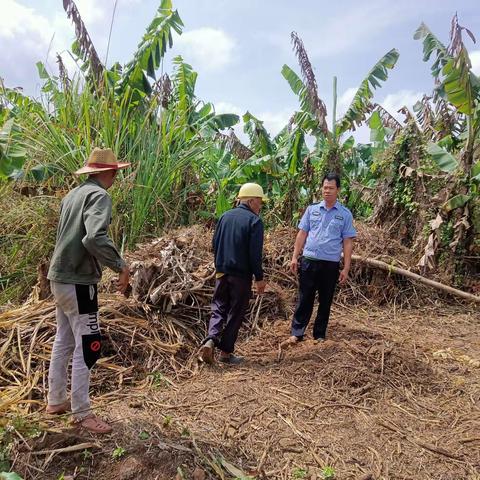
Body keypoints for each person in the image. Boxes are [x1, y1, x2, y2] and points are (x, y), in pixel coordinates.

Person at [46, 147, 130, 434]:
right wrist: (120, 266)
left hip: (58, 277)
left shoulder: (72, 195)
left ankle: (56, 400)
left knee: (64, 339)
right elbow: (93, 237)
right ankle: (82, 412)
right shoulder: (99, 195)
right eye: (116, 171)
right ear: (108, 172)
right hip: (78, 281)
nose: (117, 176)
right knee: (89, 344)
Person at [283, 173, 356, 347]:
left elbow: (347, 242)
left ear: (338, 190)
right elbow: (302, 234)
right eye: (325, 188)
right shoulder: (312, 210)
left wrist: (346, 268)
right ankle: (297, 333)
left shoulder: (345, 214)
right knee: (304, 297)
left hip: (330, 264)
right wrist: (294, 257)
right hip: (309, 260)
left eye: (331, 188)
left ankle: (319, 335)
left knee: (325, 300)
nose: (327, 191)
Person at [198, 183, 267, 365]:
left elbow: (214, 243)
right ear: (251, 200)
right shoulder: (254, 221)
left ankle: (211, 338)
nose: (260, 207)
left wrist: (220, 263)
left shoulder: (224, 217)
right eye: (259, 202)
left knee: (219, 306)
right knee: (236, 311)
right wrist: (259, 278)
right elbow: (255, 254)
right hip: (241, 275)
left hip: (221, 271)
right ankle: (226, 353)